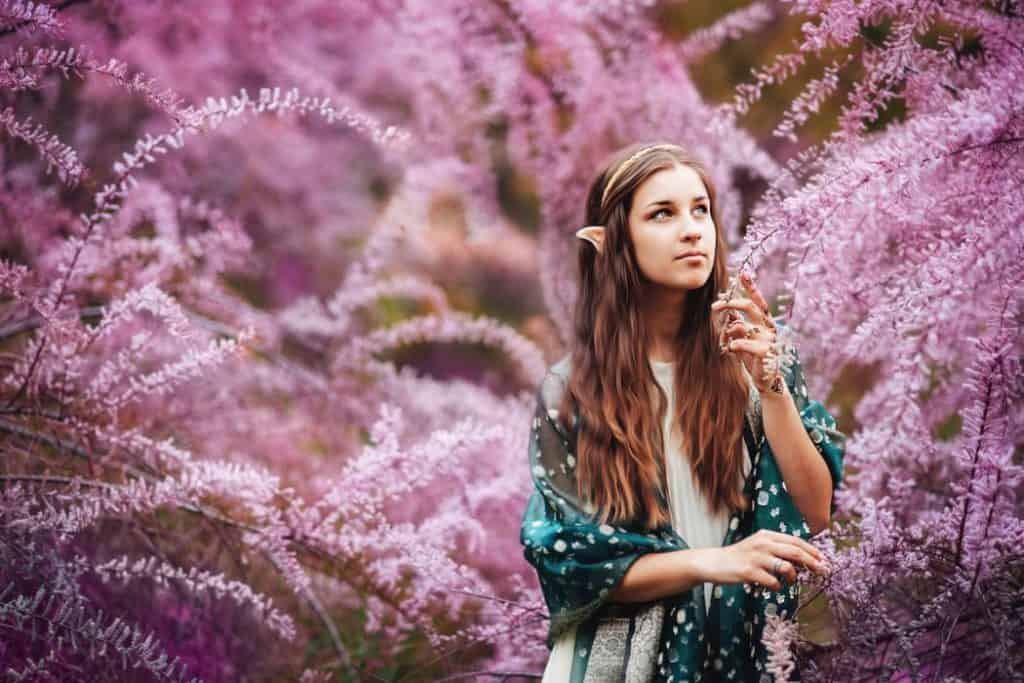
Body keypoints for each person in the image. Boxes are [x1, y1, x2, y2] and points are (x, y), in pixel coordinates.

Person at [519, 142, 845, 682]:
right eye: (662, 214)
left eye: (701, 210)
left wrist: (772, 388)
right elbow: (576, 561)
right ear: (611, 241)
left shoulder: (756, 354)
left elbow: (816, 509)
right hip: (615, 664)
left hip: (737, 652)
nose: (692, 229)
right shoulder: (571, 390)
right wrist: (714, 561)